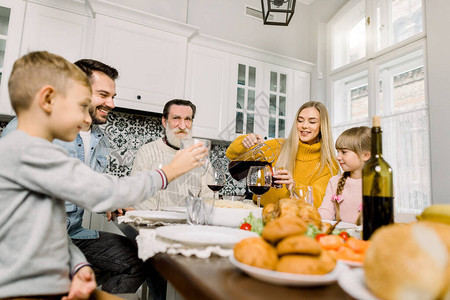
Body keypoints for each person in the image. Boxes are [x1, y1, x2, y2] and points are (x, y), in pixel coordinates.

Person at [0, 51, 207, 299]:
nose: (109, 105)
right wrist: (170, 171)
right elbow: (101, 191)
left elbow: (57, 223)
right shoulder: (29, 143)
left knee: (137, 258)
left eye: (113, 96)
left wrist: (79, 265)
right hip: (23, 268)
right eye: (97, 98)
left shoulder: (96, 139)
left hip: (66, 239)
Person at [226, 101, 339, 208]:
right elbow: (231, 155)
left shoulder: (329, 165)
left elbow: (318, 202)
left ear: (322, 126)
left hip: (294, 219)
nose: (304, 125)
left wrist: (294, 186)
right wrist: (245, 141)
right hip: (260, 211)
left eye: (312, 122)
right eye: (300, 120)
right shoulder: (277, 146)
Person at [130, 99, 214, 209]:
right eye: (176, 118)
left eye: (188, 119)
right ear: (165, 122)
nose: (183, 126)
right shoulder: (147, 152)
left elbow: (209, 199)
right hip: (154, 223)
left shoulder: (200, 155)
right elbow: (139, 198)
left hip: (189, 224)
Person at [318, 126, 371, 224]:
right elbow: (325, 214)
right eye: (337, 151)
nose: (338, 157)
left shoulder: (380, 183)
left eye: (344, 152)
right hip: (342, 238)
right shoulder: (334, 181)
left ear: (365, 155)